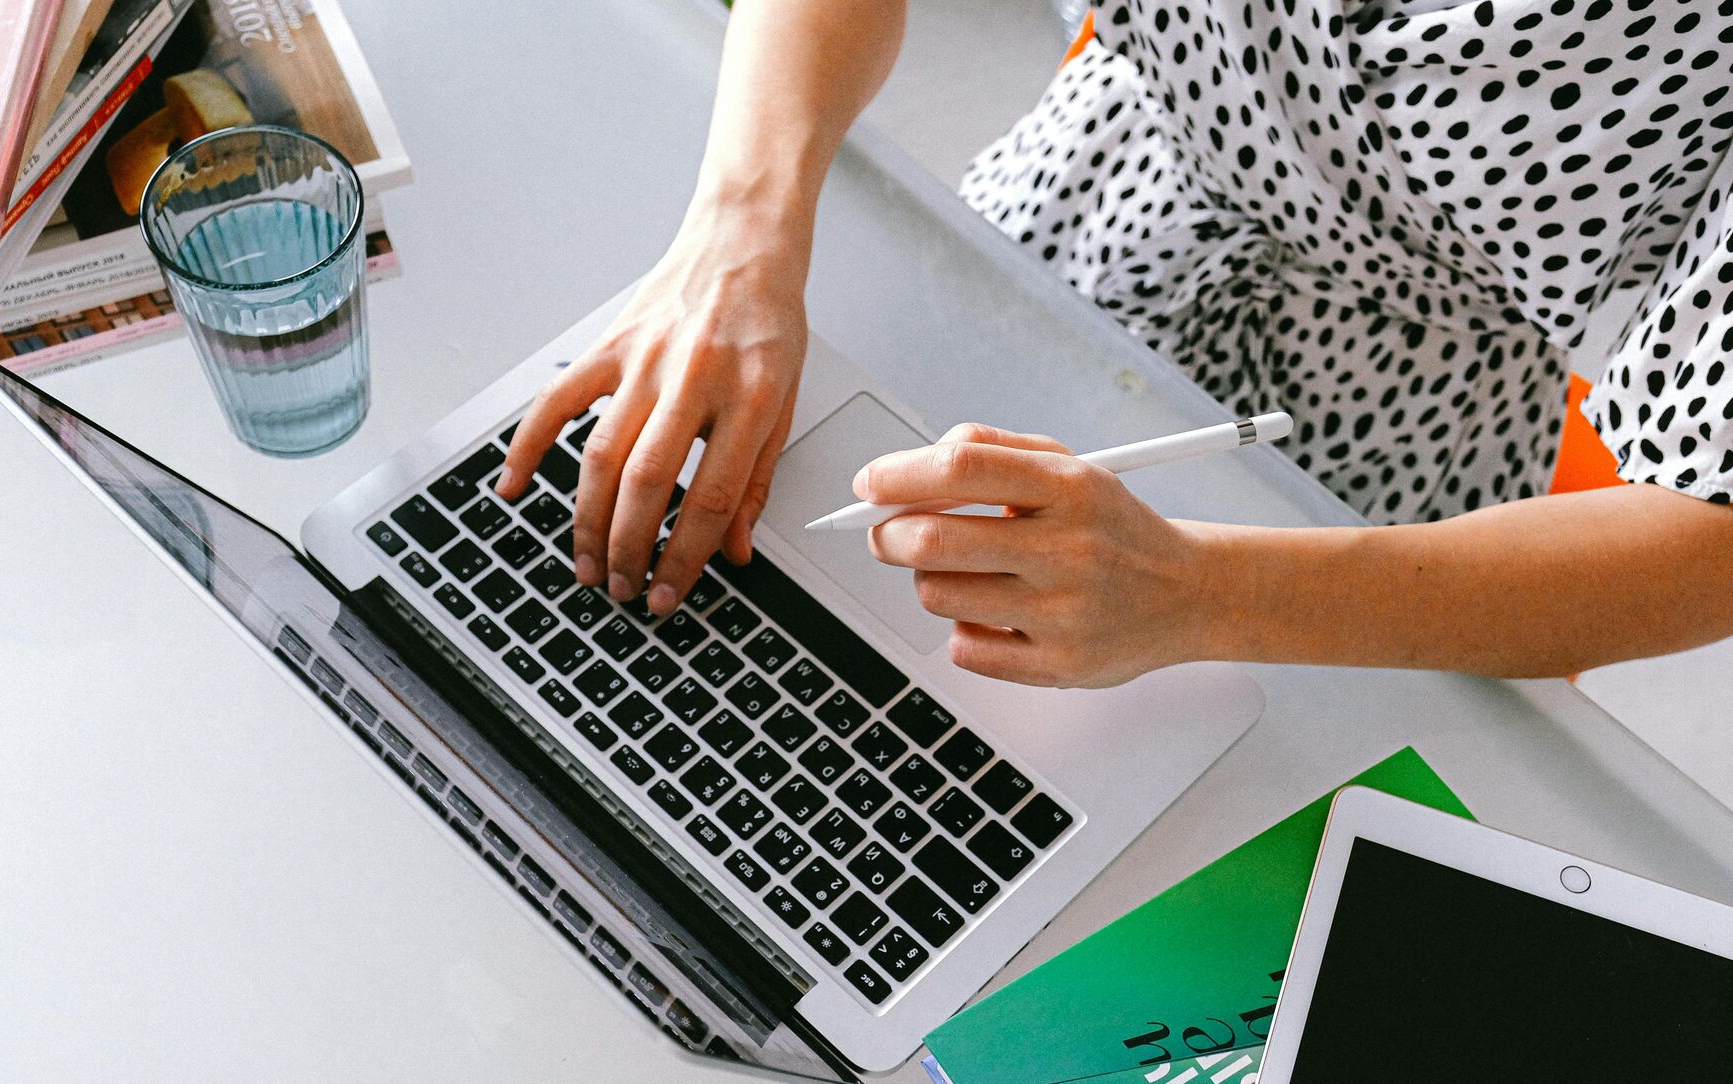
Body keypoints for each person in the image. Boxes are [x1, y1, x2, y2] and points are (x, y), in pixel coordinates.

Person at [501, 0, 1733, 687]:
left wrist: (1201, 594)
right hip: (1063, 221)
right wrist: (741, 230)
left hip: (1391, 491)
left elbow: (1709, 534)